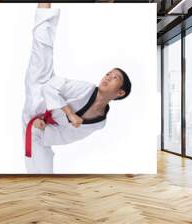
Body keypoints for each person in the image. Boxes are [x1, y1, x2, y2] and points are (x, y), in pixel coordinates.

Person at [22, 3, 131, 173]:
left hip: (39, 127)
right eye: (108, 73)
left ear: (120, 92)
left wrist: (42, 126)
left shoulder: (99, 123)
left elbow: (66, 135)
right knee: (42, 45)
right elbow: (50, 88)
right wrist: (70, 113)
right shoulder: (86, 89)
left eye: (115, 77)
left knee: (42, 173)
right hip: (41, 85)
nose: (108, 76)